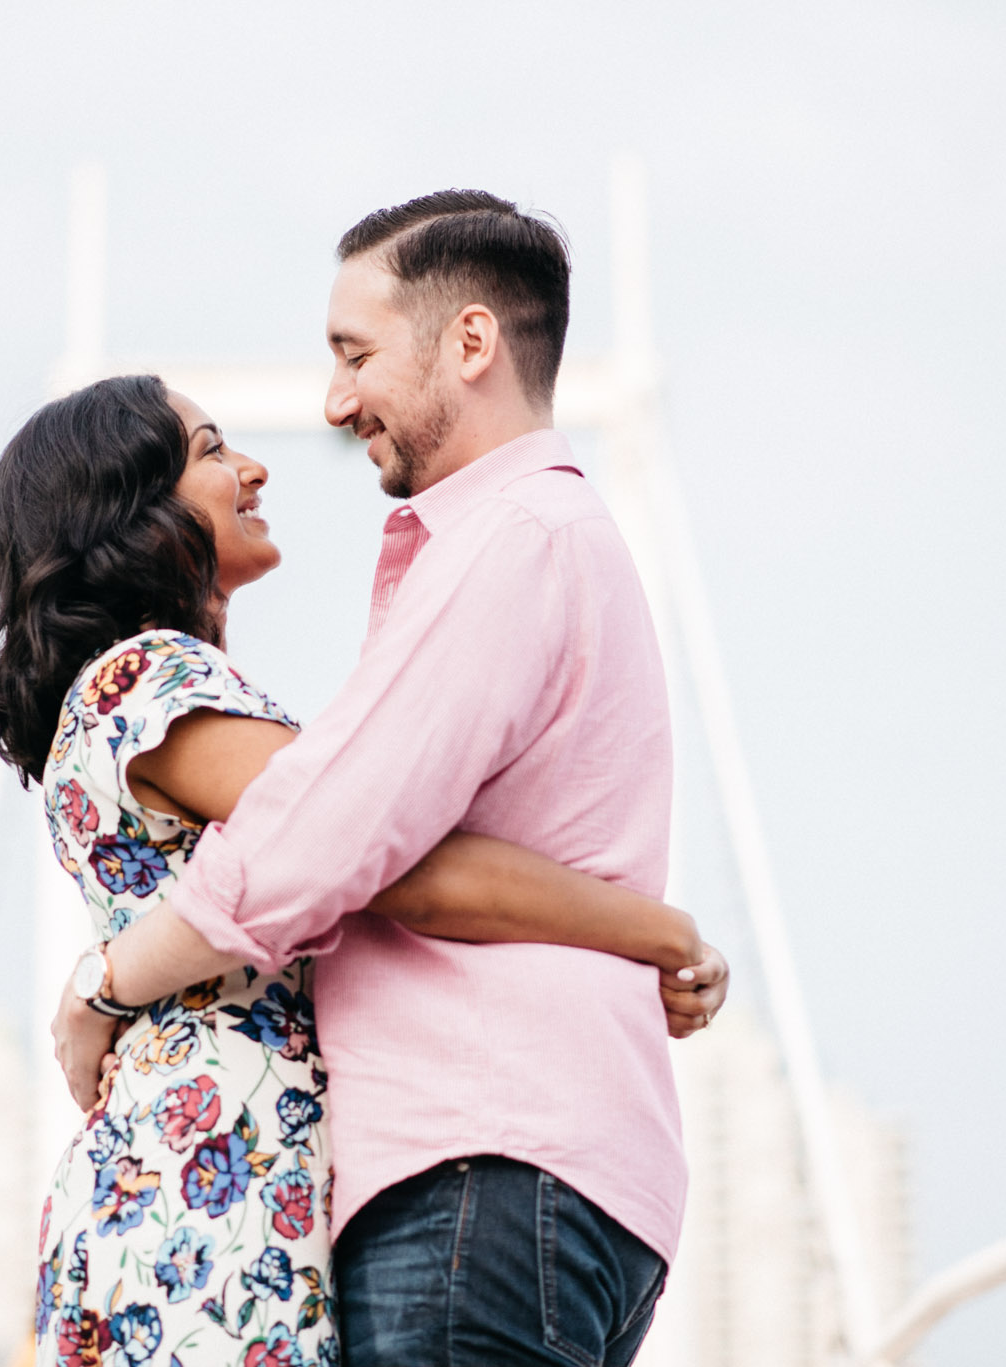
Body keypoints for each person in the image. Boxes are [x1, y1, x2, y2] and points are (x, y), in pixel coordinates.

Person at [51, 191, 727, 1367]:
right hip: (540, 1168)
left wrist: (103, 985)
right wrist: (652, 929)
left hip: (479, 1162)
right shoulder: (538, 540)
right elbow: (374, 838)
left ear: (468, 344)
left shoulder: (508, 539)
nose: (330, 402)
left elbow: (335, 840)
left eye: (354, 354)